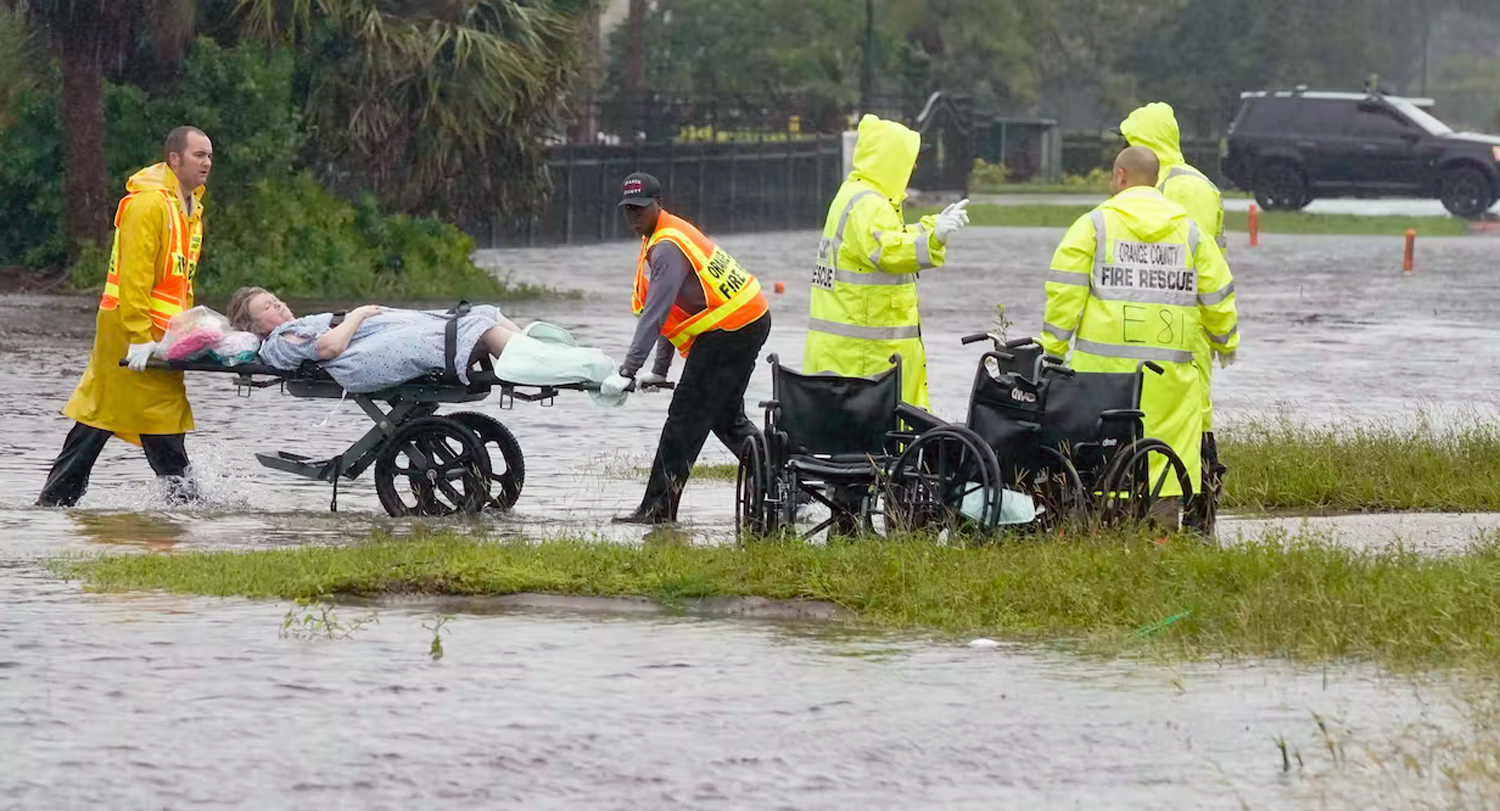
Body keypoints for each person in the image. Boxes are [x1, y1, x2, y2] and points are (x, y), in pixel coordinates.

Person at [1039, 146, 1238, 529]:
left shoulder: (1095, 225)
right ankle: (1162, 536)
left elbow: (1065, 291)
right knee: (1165, 460)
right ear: (1156, 181)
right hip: (1170, 379)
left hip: (1102, 376)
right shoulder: (1190, 232)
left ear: (1120, 177)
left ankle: (1107, 533)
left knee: (1104, 456)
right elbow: (1218, 294)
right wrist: (1225, 341)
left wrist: (1052, 349)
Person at [36, 126, 213, 507]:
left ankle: (54, 503)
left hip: (161, 332)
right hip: (130, 329)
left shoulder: (191, 208)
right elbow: (134, 278)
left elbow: (179, 282)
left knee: (111, 415)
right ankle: (187, 505)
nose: (207, 163)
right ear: (174, 159)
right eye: (199, 155)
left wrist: (188, 330)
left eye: (210, 156)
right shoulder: (148, 205)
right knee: (131, 415)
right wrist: (138, 336)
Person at [601, 172, 772, 524]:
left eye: (640, 208)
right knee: (724, 417)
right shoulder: (662, 235)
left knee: (684, 418)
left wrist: (627, 371)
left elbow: (656, 313)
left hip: (732, 328)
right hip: (745, 321)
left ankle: (656, 511)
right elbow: (674, 314)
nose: (634, 215)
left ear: (658, 205)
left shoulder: (666, 246)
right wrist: (659, 370)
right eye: (628, 209)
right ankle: (782, 484)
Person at [803, 113, 970, 410]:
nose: (914, 167)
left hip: (848, 349)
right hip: (867, 355)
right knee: (879, 427)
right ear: (892, 160)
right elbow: (889, 251)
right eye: (909, 159)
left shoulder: (854, 195)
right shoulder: (870, 204)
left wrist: (932, 226)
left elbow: (889, 238)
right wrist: (934, 240)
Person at [1118, 101, 1234, 528]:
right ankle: (1168, 518)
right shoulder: (1162, 182)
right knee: (1161, 421)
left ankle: (1201, 521)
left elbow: (1198, 264)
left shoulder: (1185, 188)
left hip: (1185, 329)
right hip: (1159, 329)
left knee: (1195, 425)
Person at [226, 287, 615, 395]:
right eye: (269, 308)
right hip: (360, 358)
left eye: (276, 300)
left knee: (482, 313)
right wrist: (360, 314)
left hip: (375, 337)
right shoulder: (280, 340)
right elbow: (328, 348)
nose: (280, 307)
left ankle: (548, 356)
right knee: (473, 329)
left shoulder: (292, 326)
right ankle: (571, 366)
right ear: (257, 327)